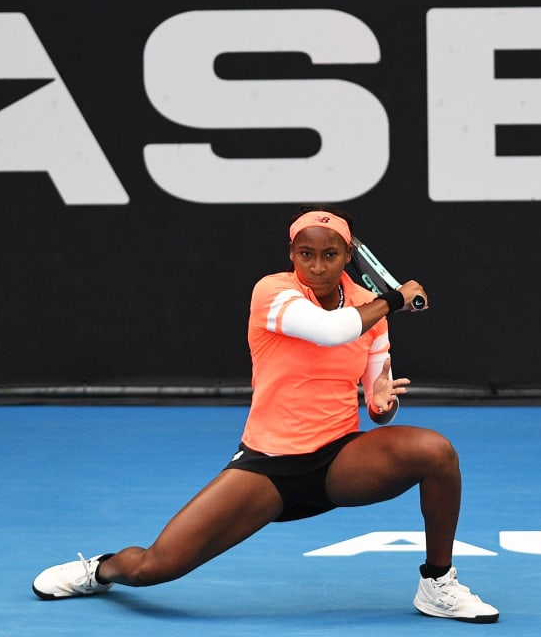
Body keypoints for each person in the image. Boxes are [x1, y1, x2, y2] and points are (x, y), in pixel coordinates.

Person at [32, 206, 499, 623]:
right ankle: (101, 568)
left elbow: (379, 411)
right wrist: (392, 301)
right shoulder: (273, 293)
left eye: (330, 255)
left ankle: (437, 583)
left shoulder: (368, 312)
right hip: (267, 468)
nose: (317, 266)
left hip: (338, 460)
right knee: (156, 566)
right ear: (291, 254)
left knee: (436, 453)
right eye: (305, 254)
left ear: (347, 255)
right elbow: (329, 330)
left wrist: (381, 399)